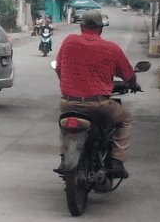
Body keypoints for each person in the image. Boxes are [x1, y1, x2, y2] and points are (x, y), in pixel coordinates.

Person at [54, 9, 140, 179]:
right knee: (125, 119)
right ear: (101, 28)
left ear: (81, 26)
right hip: (98, 105)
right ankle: (117, 161)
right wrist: (133, 84)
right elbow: (128, 75)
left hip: (69, 102)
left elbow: (59, 69)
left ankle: (64, 159)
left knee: (64, 123)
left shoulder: (69, 42)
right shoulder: (111, 48)